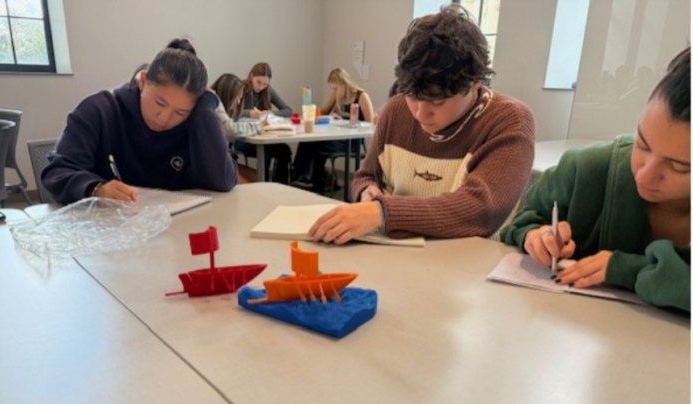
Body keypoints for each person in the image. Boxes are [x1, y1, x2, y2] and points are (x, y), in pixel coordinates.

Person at [308, 5, 535, 244]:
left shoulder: (510, 120)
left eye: (437, 101)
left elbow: (482, 209)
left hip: (470, 267)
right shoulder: (396, 110)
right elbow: (366, 175)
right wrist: (367, 191)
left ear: (476, 82)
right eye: (413, 96)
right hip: (396, 255)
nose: (420, 113)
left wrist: (383, 212)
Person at [501, 47, 691, 312]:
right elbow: (520, 224)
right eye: (643, 144)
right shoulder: (587, 169)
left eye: (681, 167)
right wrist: (535, 236)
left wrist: (624, 270)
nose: (645, 174)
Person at [43, 39, 237, 204]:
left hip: (175, 233)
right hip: (109, 233)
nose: (164, 118)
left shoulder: (195, 121)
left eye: (180, 112)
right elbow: (57, 171)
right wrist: (96, 189)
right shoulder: (98, 111)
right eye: (159, 103)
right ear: (143, 81)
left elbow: (223, 181)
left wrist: (205, 108)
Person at [291, 68, 375, 193]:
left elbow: (371, 124)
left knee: (318, 144)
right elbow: (324, 111)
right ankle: (299, 175)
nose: (333, 92)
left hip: (352, 142)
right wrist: (310, 110)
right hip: (338, 137)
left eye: (335, 88)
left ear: (344, 84)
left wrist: (345, 119)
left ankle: (315, 183)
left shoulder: (362, 96)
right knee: (306, 140)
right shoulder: (338, 95)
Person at [210, 73, 292, 184]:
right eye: (259, 82)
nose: (261, 86)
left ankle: (279, 185)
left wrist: (269, 113)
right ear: (252, 76)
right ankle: (268, 185)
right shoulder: (217, 103)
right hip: (230, 149)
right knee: (263, 159)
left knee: (284, 150)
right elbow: (231, 128)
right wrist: (252, 117)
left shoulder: (266, 91)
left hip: (223, 154)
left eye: (265, 84)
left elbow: (288, 110)